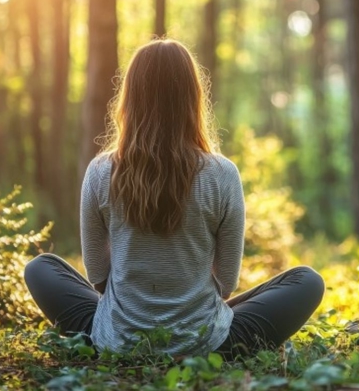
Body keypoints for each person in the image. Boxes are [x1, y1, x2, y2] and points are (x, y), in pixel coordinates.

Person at [24, 39, 324, 359]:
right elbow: (226, 283)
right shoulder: (222, 174)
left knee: (40, 268)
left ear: (130, 99)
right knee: (307, 282)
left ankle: (117, 338)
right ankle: (201, 341)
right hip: (206, 343)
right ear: (193, 99)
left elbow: (97, 278)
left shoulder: (100, 172)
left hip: (118, 340)